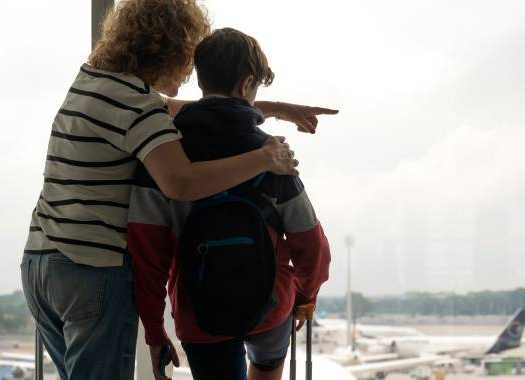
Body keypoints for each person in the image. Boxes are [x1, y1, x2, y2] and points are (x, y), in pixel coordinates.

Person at [20, 1, 337, 379]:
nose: (188, 73)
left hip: (42, 265)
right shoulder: (143, 111)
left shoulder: (95, 81)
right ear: (170, 49)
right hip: (91, 270)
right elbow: (181, 182)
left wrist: (273, 107)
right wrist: (265, 157)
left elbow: (184, 110)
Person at [128, 28, 332, 380]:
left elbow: (147, 254)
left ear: (202, 79)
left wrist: (154, 331)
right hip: (272, 306)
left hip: (200, 314)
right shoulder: (274, 156)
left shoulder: (166, 156)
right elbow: (312, 245)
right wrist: (305, 297)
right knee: (269, 357)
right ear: (246, 83)